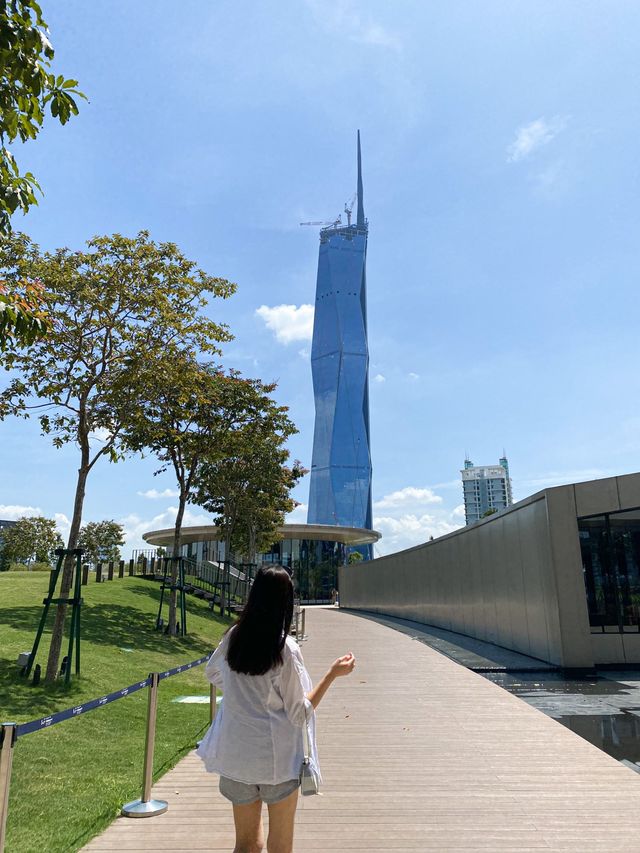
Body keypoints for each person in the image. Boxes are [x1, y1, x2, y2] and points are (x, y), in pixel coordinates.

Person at [196, 565, 356, 853]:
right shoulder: (285, 649)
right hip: (277, 762)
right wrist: (332, 674)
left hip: (236, 758)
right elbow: (299, 713)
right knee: (280, 846)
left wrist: (242, 694)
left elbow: (213, 673)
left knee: (246, 845)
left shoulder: (233, 637)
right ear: (286, 601)